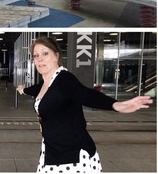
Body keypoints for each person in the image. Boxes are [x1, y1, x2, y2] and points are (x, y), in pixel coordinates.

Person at [17, 36, 152, 173]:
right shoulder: (46, 83)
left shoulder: (64, 79)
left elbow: (86, 94)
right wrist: (23, 90)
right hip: (52, 151)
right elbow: (35, 90)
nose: (40, 59)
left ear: (56, 56)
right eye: (36, 55)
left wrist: (116, 105)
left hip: (72, 157)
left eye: (45, 53)